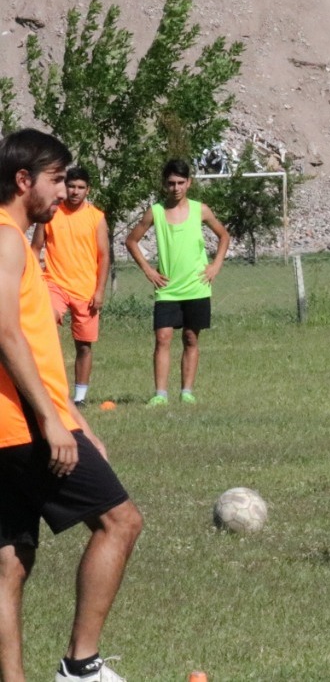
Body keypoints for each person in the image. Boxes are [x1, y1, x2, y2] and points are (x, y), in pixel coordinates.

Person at [0, 129, 143, 682]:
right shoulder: (7, 238)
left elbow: (35, 343)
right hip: (26, 426)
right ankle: (81, 667)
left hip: (23, 423)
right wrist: (51, 422)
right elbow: (7, 334)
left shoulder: (17, 238)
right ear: (22, 180)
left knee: (11, 559)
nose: (63, 192)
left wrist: (77, 418)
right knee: (120, 522)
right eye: (56, 180)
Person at [124, 159, 230, 406]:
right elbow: (131, 241)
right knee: (162, 338)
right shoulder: (155, 212)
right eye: (171, 183)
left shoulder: (200, 209)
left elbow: (224, 235)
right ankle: (160, 394)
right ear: (164, 184)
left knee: (191, 338)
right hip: (167, 289)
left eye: (181, 182)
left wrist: (216, 265)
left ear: (189, 183)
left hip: (197, 286)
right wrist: (148, 270)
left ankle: (187, 392)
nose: (176, 188)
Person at [31, 167, 109, 408]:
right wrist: (35, 281)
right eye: (71, 186)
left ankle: (80, 397)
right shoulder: (51, 213)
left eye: (80, 187)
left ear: (88, 190)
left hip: (85, 290)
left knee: (83, 345)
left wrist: (99, 291)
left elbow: (104, 256)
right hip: (54, 284)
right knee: (45, 331)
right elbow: (35, 248)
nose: (75, 192)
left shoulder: (96, 217)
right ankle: (46, 390)